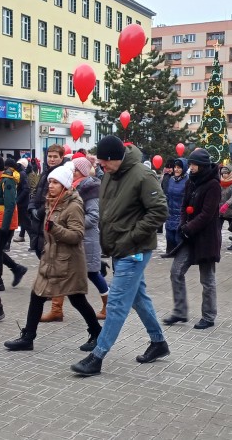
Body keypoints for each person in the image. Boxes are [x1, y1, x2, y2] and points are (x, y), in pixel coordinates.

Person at [70, 136, 170, 377]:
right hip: (118, 247)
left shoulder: (142, 175)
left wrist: (132, 237)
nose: (102, 167)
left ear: (116, 159)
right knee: (138, 298)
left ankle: (98, 356)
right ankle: (158, 343)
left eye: (105, 163)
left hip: (134, 250)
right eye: (100, 164)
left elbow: (160, 211)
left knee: (116, 303)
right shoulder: (110, 175)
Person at [3, 161, 102, 352]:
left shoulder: (73, 205)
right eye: (50, 182)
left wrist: (55, 229)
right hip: (51, 259)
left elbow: (77, 235)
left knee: (77, 299)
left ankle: (97, 332)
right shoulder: (52, 202)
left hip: (69, 263)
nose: (51, 185)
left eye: (55, 182)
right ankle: (28, 337)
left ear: (64, 185)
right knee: (36, 294)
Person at [163, 149, 221, 329]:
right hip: (189, 237)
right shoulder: (191, 182)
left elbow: (207, 214)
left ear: (202, 166)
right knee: (176, 271)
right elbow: (183, 206)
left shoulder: (213, 185)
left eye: (194, 164)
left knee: (207, 279)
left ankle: (209, 316)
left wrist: (188, 227)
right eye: (191, 164)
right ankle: (180, 311)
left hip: (206, 238)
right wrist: (182, 224)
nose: (191, 167)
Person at [70, 157, 109, 319]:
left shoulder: (91, 189)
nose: (73, 173)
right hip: (77, 238)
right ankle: (56, 308)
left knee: (92, 273)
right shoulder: (74, 187)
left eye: (76, 170)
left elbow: (93, 217)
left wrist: (73, 224)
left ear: (84, 172)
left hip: (88, 239)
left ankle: (109, 305)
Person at [0, 155, 28, 291]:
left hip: (4, 223)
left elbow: (10, 205)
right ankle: (16, 269)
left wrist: (5, 226)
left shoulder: (7, 181)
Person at [28, 144, 65, 258]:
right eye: (49, 156)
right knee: (41, 255)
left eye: (55, 157)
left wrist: (39, 211)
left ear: (61, 158)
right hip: (38, 222)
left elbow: (57, 197)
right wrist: (31, 207)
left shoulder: (62, 174)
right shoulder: (45, 173)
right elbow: (35, 192)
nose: (52, 159)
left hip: (49, 218)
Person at [162, 158, 188, 256]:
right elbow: (168, 195)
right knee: (169, 236)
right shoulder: (171, 180)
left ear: (184, 168)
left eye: (179, 167)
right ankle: (170, 252)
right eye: (175, 167)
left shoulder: (187, 180)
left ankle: (181, 255)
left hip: (180, 213)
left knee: (178, 237)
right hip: (170, 212)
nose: (176, 169)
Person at [218, 166, 232, 250]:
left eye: (226, 173)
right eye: (223, 173)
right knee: (217, 229)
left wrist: (227, 204)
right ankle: (217, 244)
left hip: (230, 209)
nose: (224, 175)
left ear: (230, 173)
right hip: (220, 209)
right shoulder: (220, 182)